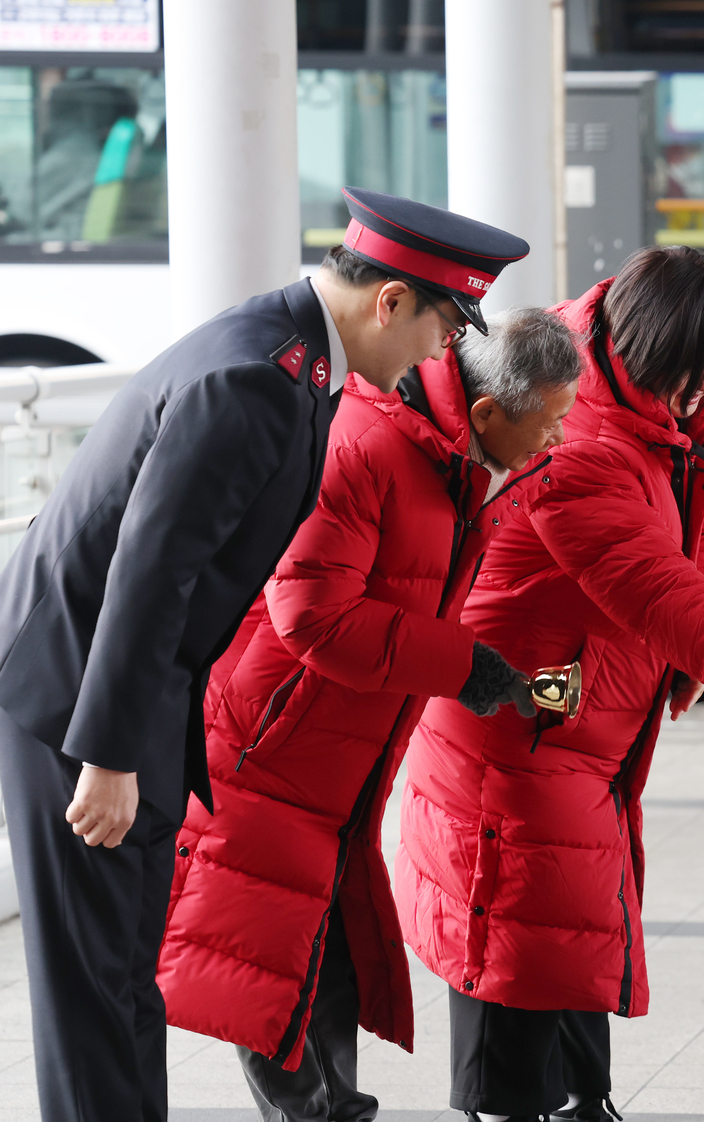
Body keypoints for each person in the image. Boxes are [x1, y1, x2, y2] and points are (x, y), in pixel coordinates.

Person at [0, 185, 528, 1122]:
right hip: (77, 701)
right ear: (390, 301)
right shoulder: (253, 378)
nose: (439, 355)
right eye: (445, 330)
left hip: (125, 694)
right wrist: (110, 756)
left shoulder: (292, 359)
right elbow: (151, 574)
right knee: (96, 989)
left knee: (123, 978)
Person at [394, 245, 704, 1122]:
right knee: (515, 923)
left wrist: (690, 661)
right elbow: (653, 584)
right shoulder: (575, 439)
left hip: (579, 711)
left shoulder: (655, 409)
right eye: (687, 374)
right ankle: (511, 1106)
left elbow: (694, 532)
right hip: (523, 713)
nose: (700, 392)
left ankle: (580, 1100)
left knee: (569, 915)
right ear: (641, 347)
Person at [159, 304, 580, 1122]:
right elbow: (312, 616)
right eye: (549, 422)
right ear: (487, 412)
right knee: (271, 974)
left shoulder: (450, 455)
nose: (557, 438)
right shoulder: (370, 444)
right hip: (269, 748)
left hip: (331, 755)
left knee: (319, 969)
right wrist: (467, 667)